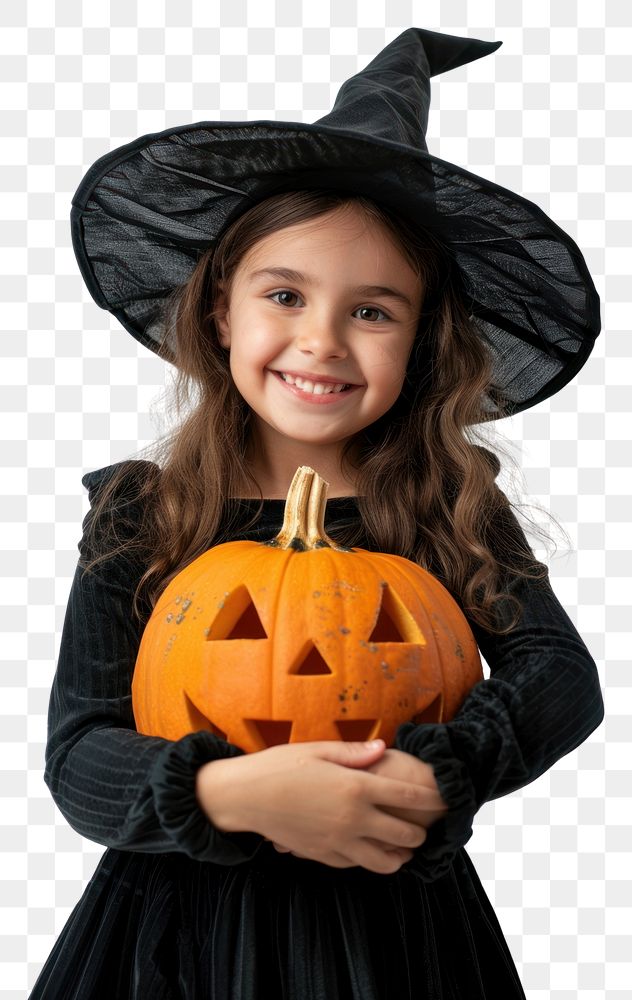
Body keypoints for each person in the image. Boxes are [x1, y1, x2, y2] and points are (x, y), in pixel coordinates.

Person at [31, 27, 604, 1000]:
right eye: (285, 293)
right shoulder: (145, 510)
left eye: (371, 310)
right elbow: (81, 751)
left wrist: (438, 774)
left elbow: (559, 676)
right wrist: (231, 789)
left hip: (392, 929)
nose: (321, 341)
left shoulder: (446, 502)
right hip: (177, 933)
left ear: (419, 339)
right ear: (221, 311)